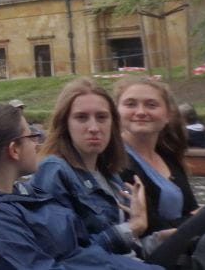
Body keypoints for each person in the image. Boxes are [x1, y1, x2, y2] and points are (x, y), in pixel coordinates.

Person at [0, 103, 158, 269]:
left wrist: (133, 232)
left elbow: (73, 252)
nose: (37, 143)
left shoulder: (20, 196)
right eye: (31, 136)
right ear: (14, 149)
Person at [30, 78, 152, 257]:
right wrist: (133, 227)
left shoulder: (110, 174)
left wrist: (156, 240)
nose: (94, 127)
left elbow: (129, 247)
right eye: (81, 118)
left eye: (102, 117)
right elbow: (66, 255)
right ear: (65, 124)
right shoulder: (54, 171)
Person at [114, 77, 205, 265]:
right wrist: (194, 218)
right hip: (147, 256)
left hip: (187, 247)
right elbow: (149, 227)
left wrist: (193, 217)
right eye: (131, 104)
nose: (141, 112)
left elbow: (190, 208)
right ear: (117, 113)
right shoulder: (115, 161)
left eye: (151, 105)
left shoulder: (168, 156)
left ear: (167, 115)